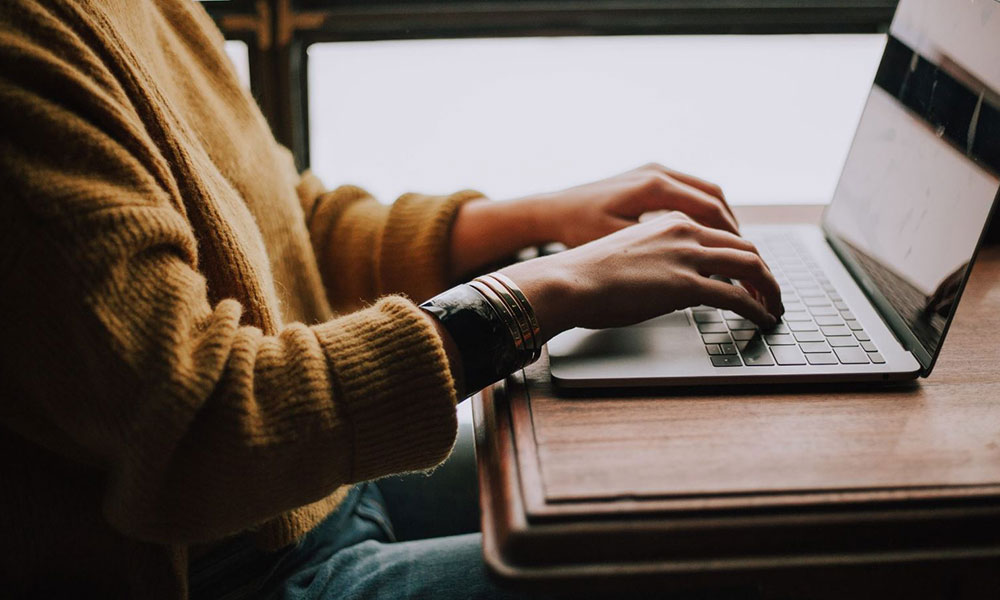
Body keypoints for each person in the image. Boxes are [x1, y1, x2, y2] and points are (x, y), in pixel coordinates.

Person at [0, 1, 783, 598]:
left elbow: (280, 222)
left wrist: (537, 219)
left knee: (692, 489)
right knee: (720, 568)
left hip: (319, 487)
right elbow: (203, 427)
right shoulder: (21, 50)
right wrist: (540, 292)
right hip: (231, 570)